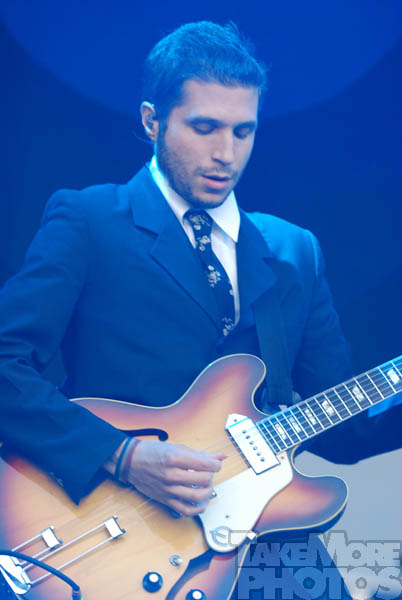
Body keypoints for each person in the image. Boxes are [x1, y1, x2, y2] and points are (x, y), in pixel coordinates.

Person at [0, 20, 400, 599]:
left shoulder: (294, 251)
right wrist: (121, 455)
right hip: (113, 532)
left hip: (271, 547)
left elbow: (340, 423)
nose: (225, 154)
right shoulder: (90, 221)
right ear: (152, 121)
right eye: (205, 127)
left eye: (244, 131)